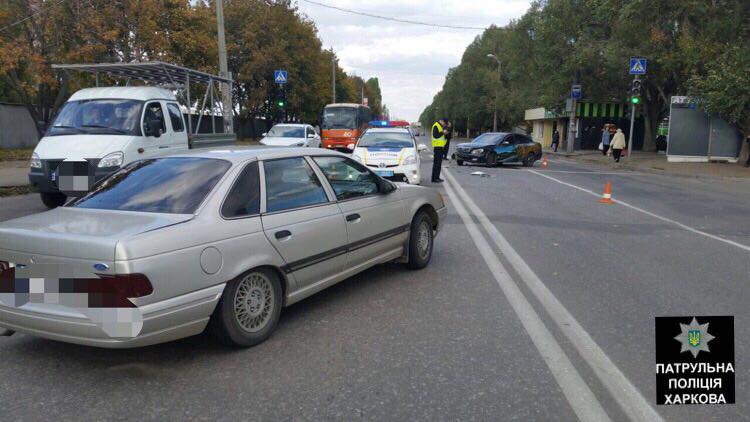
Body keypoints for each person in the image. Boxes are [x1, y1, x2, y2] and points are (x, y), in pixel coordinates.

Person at [431, 118, 448, 182]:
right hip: (437, 147)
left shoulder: (439, 126)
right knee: (437, 164)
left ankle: (437, 177)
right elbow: (435, 135)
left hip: (440, 147)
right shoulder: (436, 126)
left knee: (439, 164)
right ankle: (434, 178)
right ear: (441, 121)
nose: (444, 124)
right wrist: (443, 132)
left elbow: (441, 136)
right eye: (444, 123)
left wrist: (444, 133)